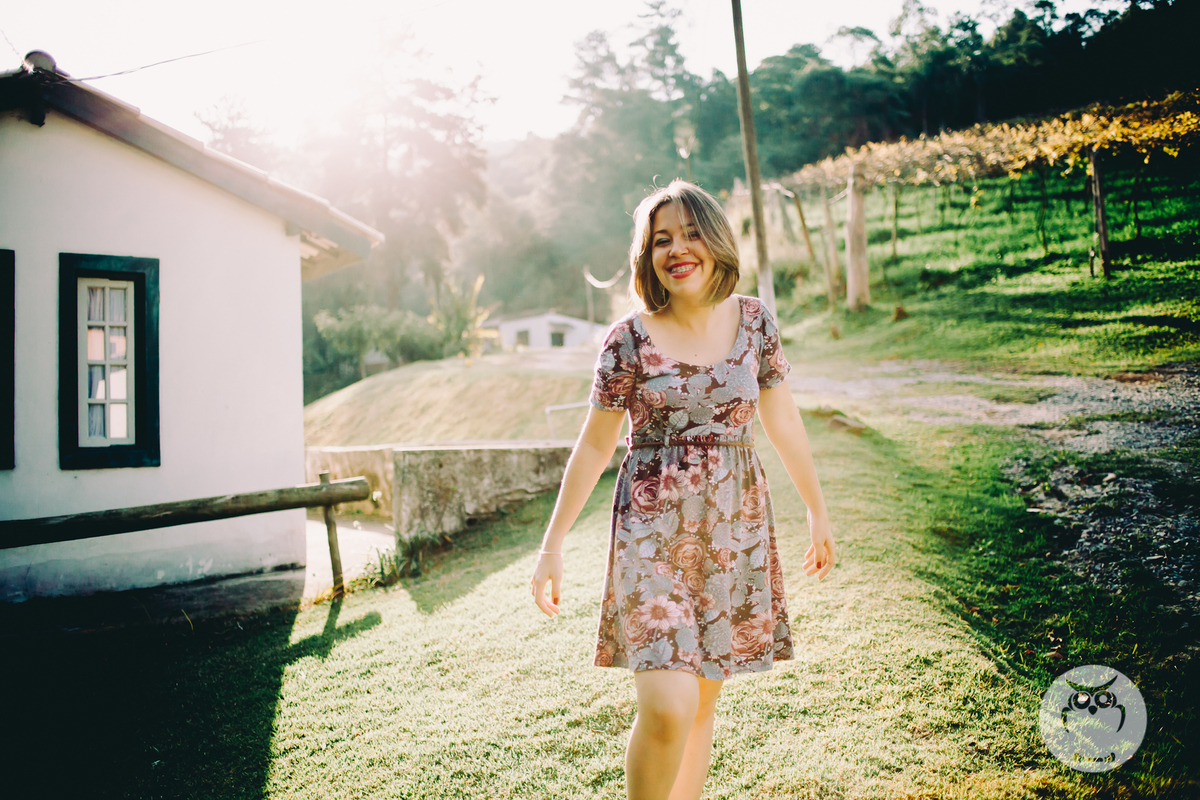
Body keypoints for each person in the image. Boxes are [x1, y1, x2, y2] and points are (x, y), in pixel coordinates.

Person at [530, 179, 835, 800]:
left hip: (732, 532)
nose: (677, 249)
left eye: (691, 233)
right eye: (661, 239)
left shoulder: (755, 322)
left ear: (717, 241)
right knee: (668, 706)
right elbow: (594, 445)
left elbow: (783, 421)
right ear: (647, 256)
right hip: (651, 537)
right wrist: (551, 544)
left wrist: (816, 509)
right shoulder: (627, 340)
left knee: (699, 705)